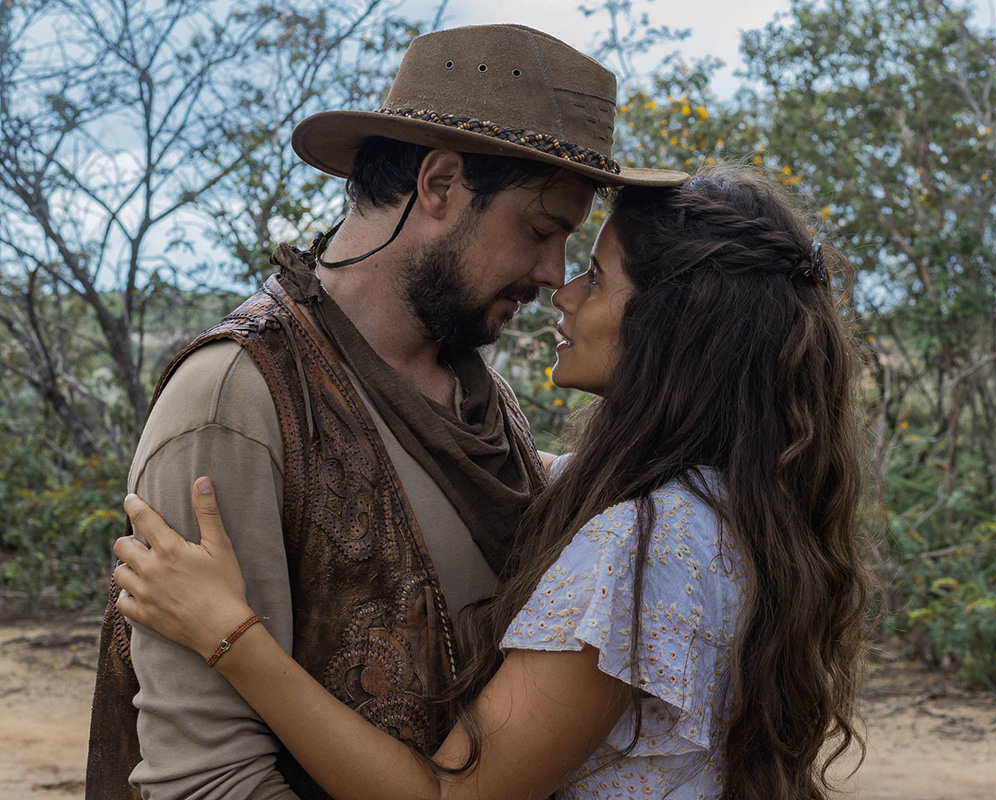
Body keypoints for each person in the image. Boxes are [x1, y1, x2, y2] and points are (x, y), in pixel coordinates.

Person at [112, 165, 871, 800]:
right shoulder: (727, 499)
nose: (561, 288)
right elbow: (499, 476)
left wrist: (231, 638)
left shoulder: (642, 544)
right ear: (434, 185)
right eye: (545, 235)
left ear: (674, 327)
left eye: (595, 276)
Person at [86, 23, 686, 800]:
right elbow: (207, 781)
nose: (551, 274)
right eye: (541, 231)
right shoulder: (239, 399)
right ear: (438, 185)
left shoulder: (484, 398)